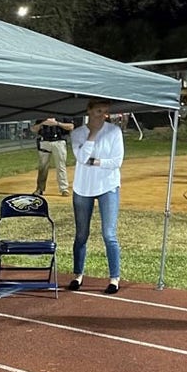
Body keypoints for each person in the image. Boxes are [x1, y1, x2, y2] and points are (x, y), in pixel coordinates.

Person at [68, 98, 125, 295]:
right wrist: (92, 134)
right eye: (99, 111)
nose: (103, 116)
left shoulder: (114, 132)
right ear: (90, 111)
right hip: (83, 187)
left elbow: (117, 161)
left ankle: (114, 278)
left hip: (108, 186)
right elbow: (82, 158)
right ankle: (78, 274)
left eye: (106, 112)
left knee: (109, 234)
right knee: (81, 234)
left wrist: (96, 161)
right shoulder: (77, 134)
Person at [30, 116, 74, 196]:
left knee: (61, 166)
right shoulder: (41, 115)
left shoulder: (63, 113)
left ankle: (64, 189)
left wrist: (57, 123)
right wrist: (43, 123)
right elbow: (33, 129)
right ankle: (40, 189)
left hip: (59, 141)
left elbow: (71, 126)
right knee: (43, 167)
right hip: (44, 141)